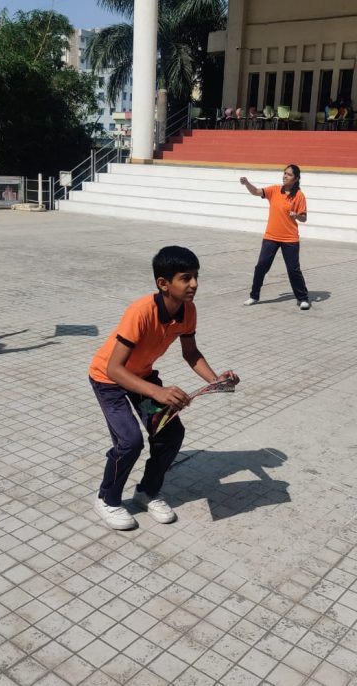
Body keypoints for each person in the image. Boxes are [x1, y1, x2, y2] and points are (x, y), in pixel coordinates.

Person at [89, 245, 240, 530]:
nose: (194, 284)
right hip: (109, 381)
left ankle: (147, 492)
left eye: (196, 276)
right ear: (163, 283)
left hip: (141, 378)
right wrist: (157, 392)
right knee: (129, 441)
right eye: (186, 278)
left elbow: (191, 354)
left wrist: (215, 380)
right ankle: (107, 499)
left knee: (170, 434)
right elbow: (114, 368)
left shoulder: (188, 310)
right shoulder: (141, 311)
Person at [240, 165, 310, 310]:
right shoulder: (274, 190)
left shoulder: (299, 196)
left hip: (290, 239)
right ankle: (254, 296)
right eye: (284, 173)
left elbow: (304, 218)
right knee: (261, 267)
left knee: (293, 270)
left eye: (289, 175)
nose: (285, 176)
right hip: (271, 237)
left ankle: (303, 298)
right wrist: (247, 183)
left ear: (296, 179)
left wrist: (296, 215)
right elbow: (256, 191)